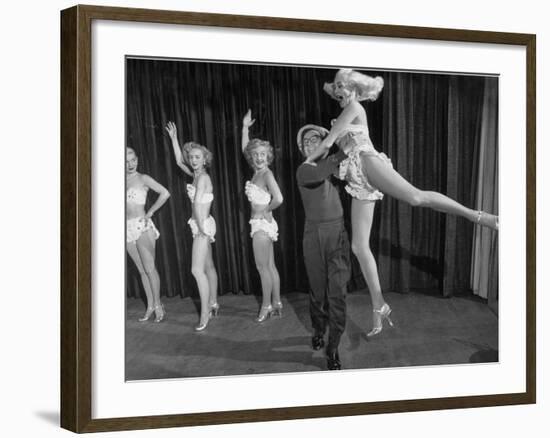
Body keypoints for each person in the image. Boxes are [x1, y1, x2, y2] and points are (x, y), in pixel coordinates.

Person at [307, 68, 499, 337]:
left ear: (354, 88)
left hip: (368, 163)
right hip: (357, 176)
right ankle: (379, 306)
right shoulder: (343, 113)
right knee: (359, 246)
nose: (339, 89)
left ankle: (477, 216)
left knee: (416, 197)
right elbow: (337, 149)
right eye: (336, 85)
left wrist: (307, 162)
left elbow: (328, 143)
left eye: (344, 84)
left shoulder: (353, 108)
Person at [296, 124, 352, 370]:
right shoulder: (304, 170)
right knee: (318, 293)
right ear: (301, 149)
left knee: (337, 294)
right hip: (314, 236)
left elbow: (344, 159)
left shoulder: (333, 167)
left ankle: (334, 346)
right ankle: (319, 329)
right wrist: (337, 149)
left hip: (337, 233)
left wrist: (336, 140)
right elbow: (322, 170)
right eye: (306, 142)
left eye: (315, 139)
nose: (311, 143)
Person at [165, 122, 219, 331]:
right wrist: (173, 138)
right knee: (208, 266)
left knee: (196, 270)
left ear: (205, 159)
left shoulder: (203, 178)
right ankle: (214, 302)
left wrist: (200, 228)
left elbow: (197, 204)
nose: (193, 161)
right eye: (192, 157)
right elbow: (179, 161)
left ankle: (205, 312)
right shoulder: (196, 174)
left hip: (202, 225)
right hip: (201, 224)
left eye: (198, 157)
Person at [241, 110, 284, 322]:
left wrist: (265, 211)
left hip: (261, 225)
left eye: (262, 154)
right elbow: (244, 148)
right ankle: (277, 303)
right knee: (270, 266)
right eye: (255, 154)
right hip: (262, 224)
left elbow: (279, 198)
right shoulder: (257, 171)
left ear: (268, 156)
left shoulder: (266, 173)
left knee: (262, 267)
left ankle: (266, 306)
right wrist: (245, 128)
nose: (259, 157)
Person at [126, 147, 170, 323]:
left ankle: (159, 305)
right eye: (126, 161)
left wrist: (151, 211)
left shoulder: (143, 178)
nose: (130, 164)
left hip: (143, 226)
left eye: (133, 159)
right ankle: (150, 306)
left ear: (137, 159)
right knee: (142, 270)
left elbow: (165, 193)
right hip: (126, 228)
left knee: (150, 268)